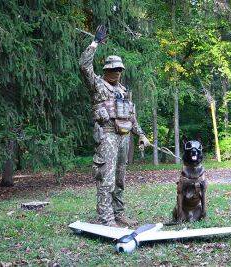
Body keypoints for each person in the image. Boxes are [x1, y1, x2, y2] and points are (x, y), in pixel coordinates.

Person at [79, 25, 150, 227]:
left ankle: (119, 214)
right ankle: (107, 219)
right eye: (114, 69)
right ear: (106, 70)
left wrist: (142, 135)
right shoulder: (98, 85)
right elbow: (84, 67)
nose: (117, 72)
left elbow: (131, 116)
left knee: (120, 179)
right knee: (106, 178)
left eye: (120, 69)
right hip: (107, 136)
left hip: (124, 137)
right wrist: (95, 43)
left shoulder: (124, 91)